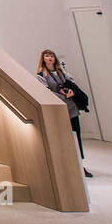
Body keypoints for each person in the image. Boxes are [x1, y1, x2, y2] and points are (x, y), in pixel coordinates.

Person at [37, 49, 93, 178]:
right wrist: (61, 96)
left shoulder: (62, 72)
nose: (49, 58)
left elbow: (72, 84)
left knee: (76, 136)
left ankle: (80, 164)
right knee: (62, 137)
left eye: (51, 55)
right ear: (43, 59)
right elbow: (45, 91)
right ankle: (67, 165)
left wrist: (72, 92)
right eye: (47, 56)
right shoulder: (42, 74)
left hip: (71, 108)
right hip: (58, 109)